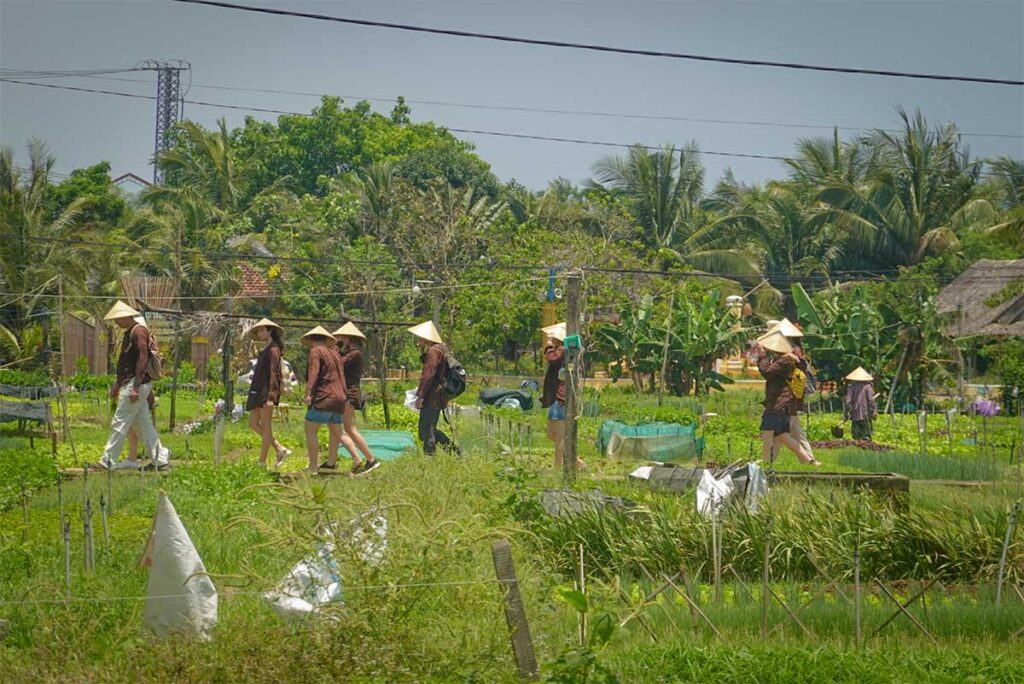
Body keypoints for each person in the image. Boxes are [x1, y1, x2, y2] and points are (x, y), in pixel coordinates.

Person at [95, 301, 170, 471]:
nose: (116, 323)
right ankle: (161, 459)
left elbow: (142, 359)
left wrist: (135, 386)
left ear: (125, 316)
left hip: (135, 385)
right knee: (144, 424)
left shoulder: (138, 332)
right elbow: (127, 364)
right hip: (132, 384)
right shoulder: (131, 332)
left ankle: (107, 460)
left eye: (117, 319)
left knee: (119, 422)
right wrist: (117, 384)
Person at [301, 326, 359, 474]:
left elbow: (313, 372)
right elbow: (341, 376)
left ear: (311, 339)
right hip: (340, 398)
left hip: (324, 396)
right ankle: (356, 458)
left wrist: (308, 391)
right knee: (338, 432)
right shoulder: (335, 354)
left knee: (310, 430)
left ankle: (313, 466)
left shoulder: (316, 351)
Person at [755, 330, 818, 466]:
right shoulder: (790, 359)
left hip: (778, 404)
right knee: (782, 436)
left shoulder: (785, 360)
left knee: (767, 434)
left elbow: (767, 372)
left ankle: (766, 465)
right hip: (782, 403)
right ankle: (808, 460)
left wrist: (761, 356)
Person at [332, 322, 380, 475]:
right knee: (336, 426)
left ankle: (371, 459)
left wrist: (336, 351)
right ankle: (330, 461)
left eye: (341, 337)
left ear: (348, 338)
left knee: (349, 428)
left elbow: (338, 365)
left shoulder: (355, 353)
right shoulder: (351, 353)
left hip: (349, 394)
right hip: (346, 393)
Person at [245, 318, 291, 467]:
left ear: (270, 330)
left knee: (265, 426)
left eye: (262, 330)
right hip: (258, 390)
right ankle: (279, 448)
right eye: (258, 330)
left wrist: (271, 396)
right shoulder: (268, 348)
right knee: (252, 423)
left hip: (266, 392)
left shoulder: (274, 349)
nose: (259, 333)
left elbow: (274, 373)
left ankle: (262, 461)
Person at [409, 320, 459, 456]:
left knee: (427, 430)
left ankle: (431, 458)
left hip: (432, 395)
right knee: (426, 429)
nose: (418, 339)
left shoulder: (433, 351)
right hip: (437, 394)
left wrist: (420, 396)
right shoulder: (441, 349)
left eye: (420, 336)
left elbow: (428, 375)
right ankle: (454, 451)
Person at [541, 322, 584, 471]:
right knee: (551, 433)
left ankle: (559, 467)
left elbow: (550, 358)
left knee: (559, 436)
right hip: (555, 398)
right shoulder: (563, 350)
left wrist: (548, 343)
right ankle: (576, 461)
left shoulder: (563, 350)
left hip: (560, 399)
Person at [844, 367, 877, 441]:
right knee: (866, 436)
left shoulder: (852, 387)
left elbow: (848, 401)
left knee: (856, 437)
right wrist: (874, 411)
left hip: (855, 414)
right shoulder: (868, 387)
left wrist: (846, 413)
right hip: (866, 415)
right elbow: (871, 401)